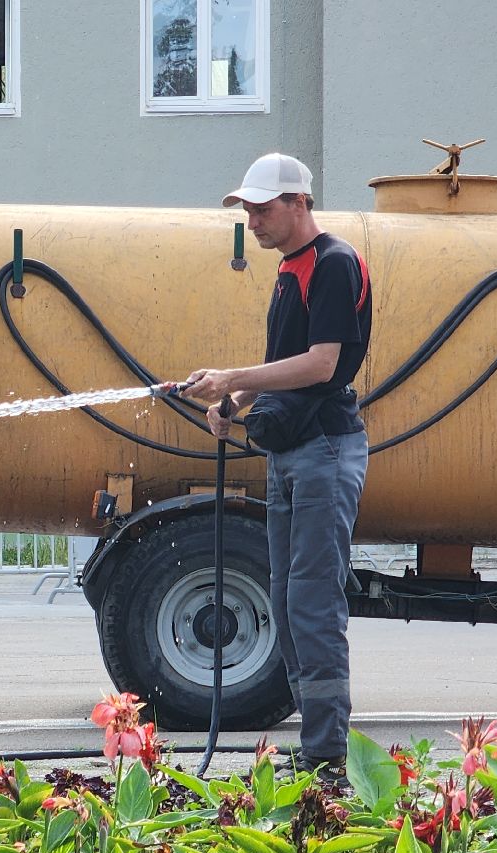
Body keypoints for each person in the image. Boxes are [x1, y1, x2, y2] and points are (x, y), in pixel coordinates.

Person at [181, 152, 371, 784]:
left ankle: (328, 760)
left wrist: (234, 377)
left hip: (323, 452)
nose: (253, 220)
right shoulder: (292, 269)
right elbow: (285, 363)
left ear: (299, 203)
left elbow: (320, 365)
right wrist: (236, 401)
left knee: (314, 602)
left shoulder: (335, 263)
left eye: (263, 208)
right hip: (292, 453)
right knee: (290, 601)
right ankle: (315, 749)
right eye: (248, 209)